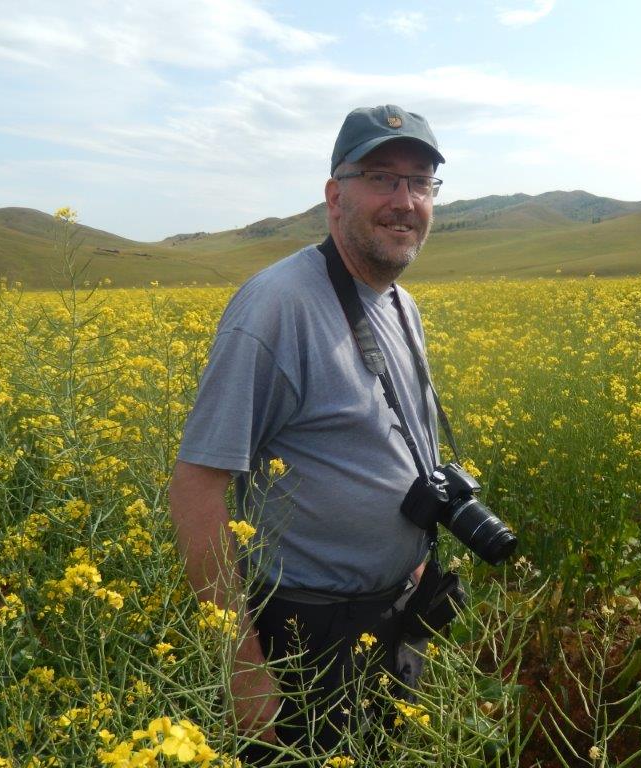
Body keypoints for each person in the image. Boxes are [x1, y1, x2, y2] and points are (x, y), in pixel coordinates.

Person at [168, 104, 447, 760]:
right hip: (306, 639)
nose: (404, 200)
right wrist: (244, 672)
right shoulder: (277, 307)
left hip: (394, 619)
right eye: (381, 177)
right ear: (334, 195)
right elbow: (196, 489)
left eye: (421, 182)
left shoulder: (400, 304)